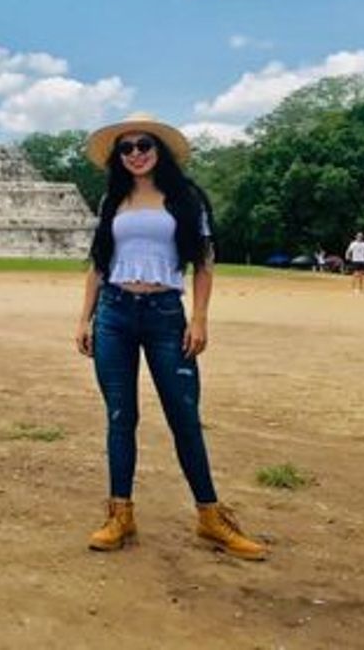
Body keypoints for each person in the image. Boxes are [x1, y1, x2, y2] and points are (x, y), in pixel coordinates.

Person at [75, 112, 266, 561]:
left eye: (144, 145)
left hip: (165, 314)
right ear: (118, 157)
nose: (136, 154)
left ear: (159, 150)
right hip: (115, 313)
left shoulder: (186, 199)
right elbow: (99, 264)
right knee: (121, 416)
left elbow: (203, 263)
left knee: (185, 417)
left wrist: (199, 318)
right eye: (126, 148)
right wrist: (83, 319)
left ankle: (210, 516)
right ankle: (119, 512)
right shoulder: (112, 202)